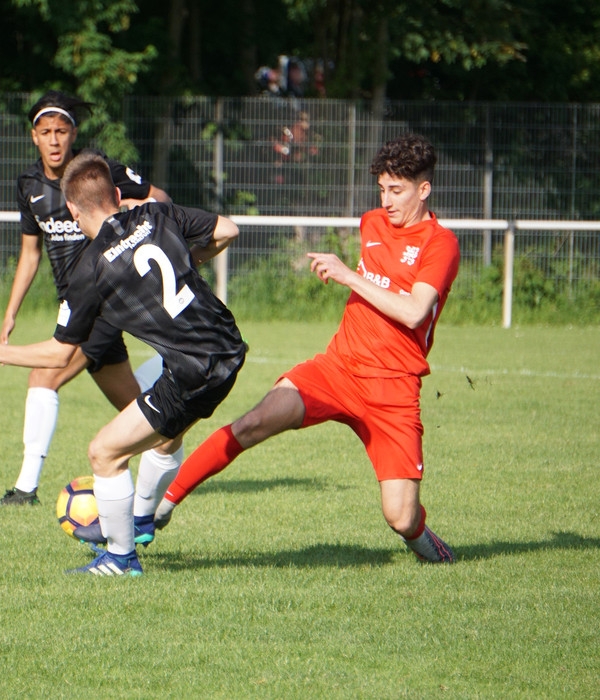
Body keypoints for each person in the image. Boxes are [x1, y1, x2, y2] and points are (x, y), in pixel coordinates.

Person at [154, 133, 458, 564]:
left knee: (400, 517)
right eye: (382, 190)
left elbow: (413, 312)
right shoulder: (372, 223)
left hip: (393, 389)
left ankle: (426, 541)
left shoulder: (440, 244)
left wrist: (347, 275)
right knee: (254, 421)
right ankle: (157, 509)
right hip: (337, 369)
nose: (386, 201)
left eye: (397, 190)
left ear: (424, 189)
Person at [0, 151, 246, 575]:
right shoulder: (155, 215)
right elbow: (227, 229)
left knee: (104, 453)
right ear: (116, 194)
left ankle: (121, 558)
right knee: (161, 437)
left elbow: (59, 354)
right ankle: (143, 519)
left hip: (193, 371)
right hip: (228, 347)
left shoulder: (90, 268)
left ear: (73, 212)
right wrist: (190, 262)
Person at [0, 90, 177, 516]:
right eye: (46, 133)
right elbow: (30, 253)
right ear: (33, 137)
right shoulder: (29, 186)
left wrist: (134, 212)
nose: (55, 140)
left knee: (44, 376)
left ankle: (25, 488)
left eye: (62, 131)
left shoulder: (96, 171)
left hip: (105, 300)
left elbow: (160, 199)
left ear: (73, 133)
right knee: (136, 408)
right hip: (74, 306)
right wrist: (10, 312)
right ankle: (168, 441)